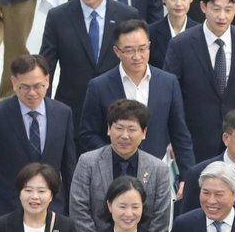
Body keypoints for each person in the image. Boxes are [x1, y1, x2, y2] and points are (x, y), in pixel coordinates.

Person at [0, 54, 76, 226]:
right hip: (7, 207)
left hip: (53, 206)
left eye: (37, 86)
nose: (32, 93)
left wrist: (73, 206)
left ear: (47, 81)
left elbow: (69, 164)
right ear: (13, 83)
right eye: (24, 87)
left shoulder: (63, 113)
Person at [80, 19, 195, 171]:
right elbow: (87, 134)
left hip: (156, 169)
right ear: (117, 52)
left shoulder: (168, 82)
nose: (137, 56)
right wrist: (116, 153)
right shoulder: (99, 86)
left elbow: (180, 134)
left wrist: (187, 176)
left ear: (149, 46)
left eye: (142, 49)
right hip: (114, 169)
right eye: (129, 50)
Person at [163, 0, 235, 164]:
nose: (222, 16)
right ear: (203, 7)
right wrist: (170, 137)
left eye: (228, 9)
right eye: (216, 9)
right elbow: (169, 94)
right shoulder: (181, 44)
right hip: (194, 139)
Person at [42, 0, 142, 123]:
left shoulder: (127, 16)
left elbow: (138, 63)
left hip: (118, 112)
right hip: (71, 110)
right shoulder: (58, 17)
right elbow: (46, 67)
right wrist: (46, 109)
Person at [70, 99, 174, 232]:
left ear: (144, 132)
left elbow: (161, 218)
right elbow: (78, 210)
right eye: (119, 128)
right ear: (108, 129)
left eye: (131, 129)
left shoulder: (158, 168)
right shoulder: (87, 162)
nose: (124, 135)